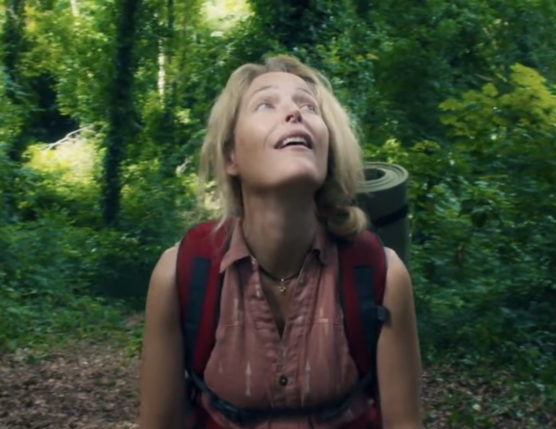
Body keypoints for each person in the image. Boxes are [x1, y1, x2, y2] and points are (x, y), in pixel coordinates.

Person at [139, 55, 423, 428]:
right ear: (231, 156)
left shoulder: (382, 275)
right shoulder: (179, 274)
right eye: (266, 104)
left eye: (309, 106)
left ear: (327, 149)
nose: (294, 113)